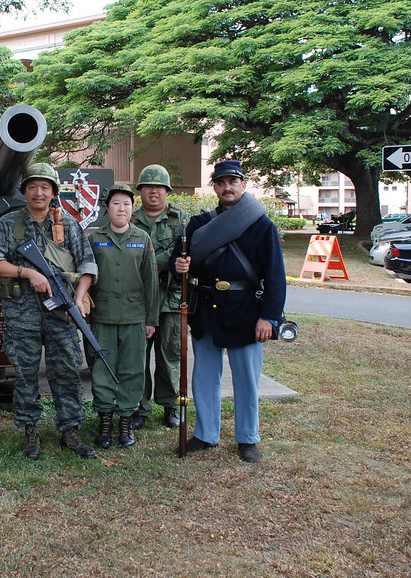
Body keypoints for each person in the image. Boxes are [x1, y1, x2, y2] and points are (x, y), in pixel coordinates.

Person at [0, 162, 99, 460]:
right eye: (33, 187)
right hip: (23, 315)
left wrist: (78, 299)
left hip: (61, 313)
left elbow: (87, 266)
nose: (38, 192)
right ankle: (30, 430)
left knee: (67, 372)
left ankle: (70, 429)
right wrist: (27, 273)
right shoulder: (9, 224)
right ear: (24, 191)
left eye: (45, 187)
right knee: (24, 374)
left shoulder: (68, 225)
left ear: (53, 193)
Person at [173, 160, 286, 463]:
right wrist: (180, 267)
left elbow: (275, 275)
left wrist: (269, 317)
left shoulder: (262, 225)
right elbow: (180, 264)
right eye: (220, 182)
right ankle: (206, 434)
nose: (227, 187)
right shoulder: (199, 224)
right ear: (214, 187)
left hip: (247, 310)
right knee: (205, 376)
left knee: (247, 378)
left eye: (232, 181)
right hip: (207, 309)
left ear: (243, 184)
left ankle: (247, 438)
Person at [87, 183, 159, 449]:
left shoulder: (143, 238)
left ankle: (126, 420)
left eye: (127, 204)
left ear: (133, 208)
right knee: (103, 368)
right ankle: (105, 420)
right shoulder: (94, 238)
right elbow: (87, 278)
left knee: (132, 369)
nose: (122, 208)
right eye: (116, 203)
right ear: (107, 208)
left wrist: (152, 320)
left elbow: (151, 281)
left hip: (134, 317)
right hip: (102, 316)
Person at [131, 164, 189, 430]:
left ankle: (169, 406)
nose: (153, 192)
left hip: (171, 300)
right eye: (148, 187)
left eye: (159, 188)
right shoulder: (129, 220)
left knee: (170, 356)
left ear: (167, 191)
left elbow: (191, 252)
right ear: (140, 191)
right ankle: (139, 407)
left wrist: (162, 262)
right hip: (138, 301)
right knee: (137, 357)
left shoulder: (182, 219)